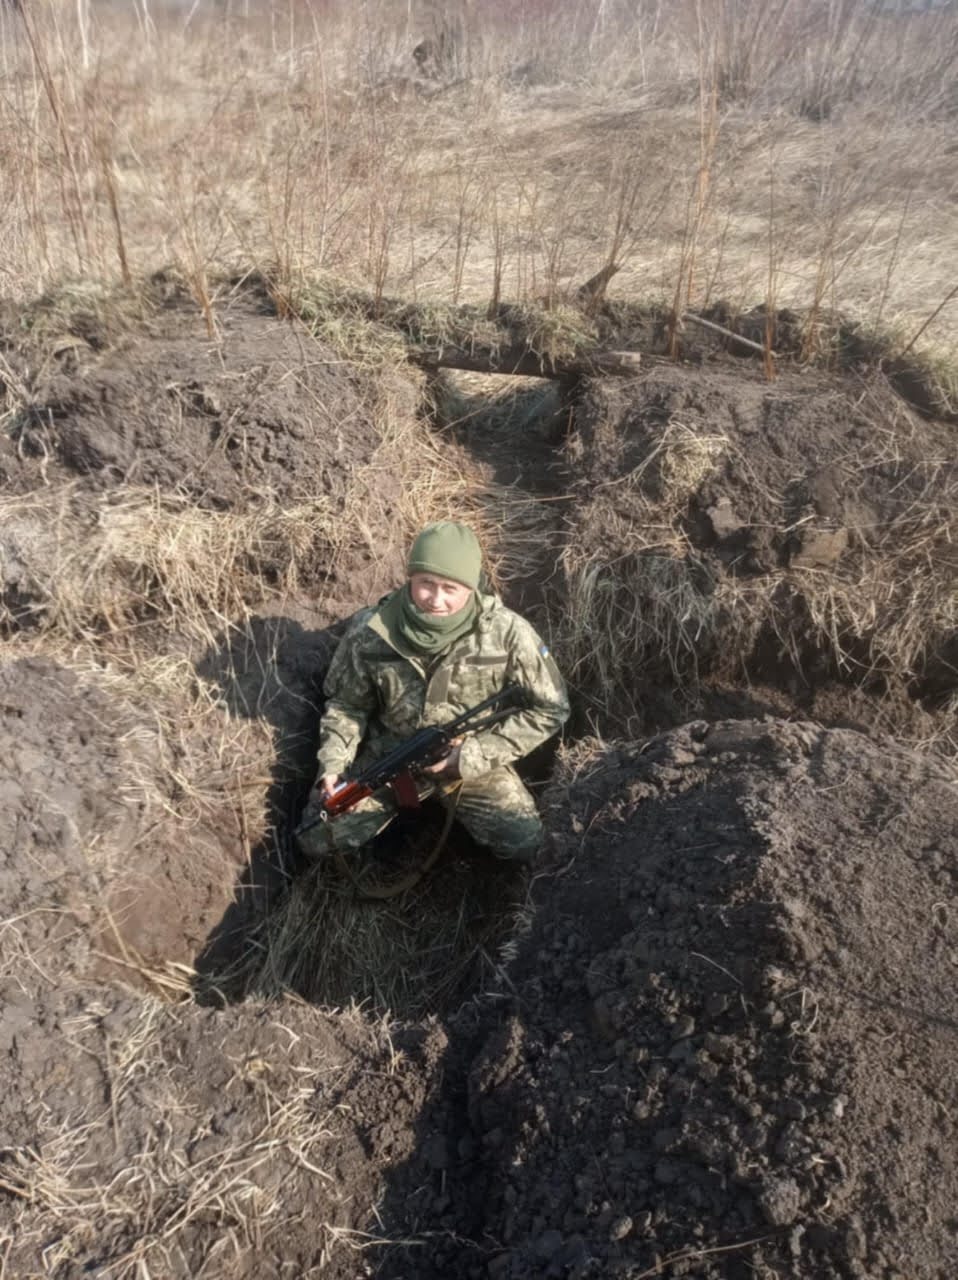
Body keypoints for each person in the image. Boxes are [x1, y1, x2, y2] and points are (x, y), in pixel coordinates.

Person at [298, 521, 569, 864]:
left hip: (469, 762)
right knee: (316, 839)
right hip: (390, 758)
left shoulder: (506, 633)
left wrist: (473, 756)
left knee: (527, 844)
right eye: (426, 583)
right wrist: (334, 764)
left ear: (470, 588)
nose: (435, 600)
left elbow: (550, 708)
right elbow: (347, 705)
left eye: (450, 588)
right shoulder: (372, 629)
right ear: (410, 577)